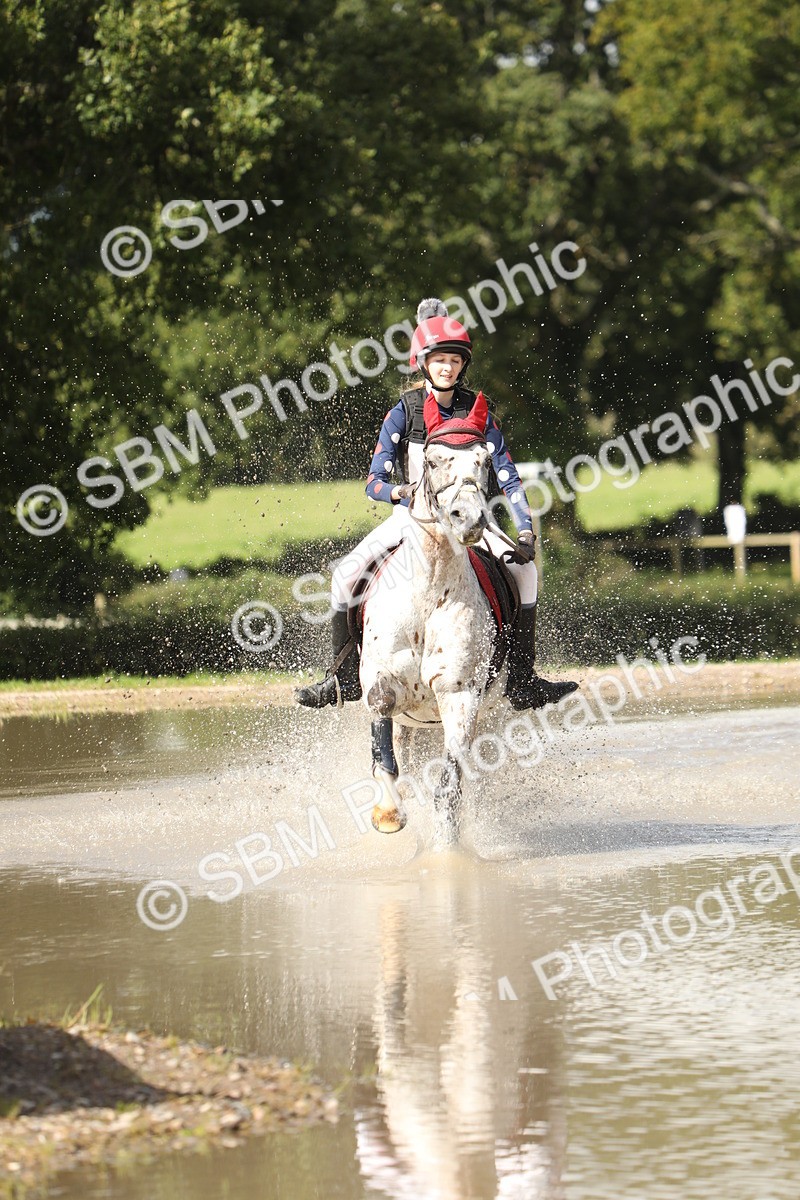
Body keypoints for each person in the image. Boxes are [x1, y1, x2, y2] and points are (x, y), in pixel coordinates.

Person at [296, 298, 578, 710]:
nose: (447, 368)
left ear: (463, 365)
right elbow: (374, 482)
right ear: (423, 363)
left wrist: (524, 529)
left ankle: (522, 679)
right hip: (412, 520)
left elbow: (508, 476)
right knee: (345, 577)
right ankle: (340, 680)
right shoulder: (404, 412)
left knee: (527, 572)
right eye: (439, 360)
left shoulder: (478, 413)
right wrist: (401, 492)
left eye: (454, 360)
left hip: (470, 520)